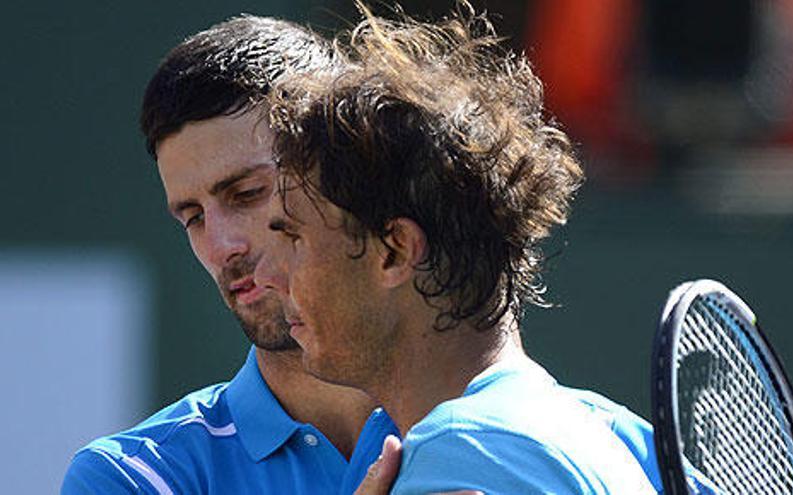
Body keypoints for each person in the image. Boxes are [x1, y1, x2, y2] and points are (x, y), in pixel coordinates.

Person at [255, 3, 677, 493]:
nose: (271, 275)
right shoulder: (597, 435)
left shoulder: (461, 450)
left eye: (294, 238)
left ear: (394, 251)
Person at [61, 15, 399, 494]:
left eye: (247, 193)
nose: (222, 248)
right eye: (193, 217)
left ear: (352, 178)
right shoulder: (134, 477)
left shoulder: (495, 428)